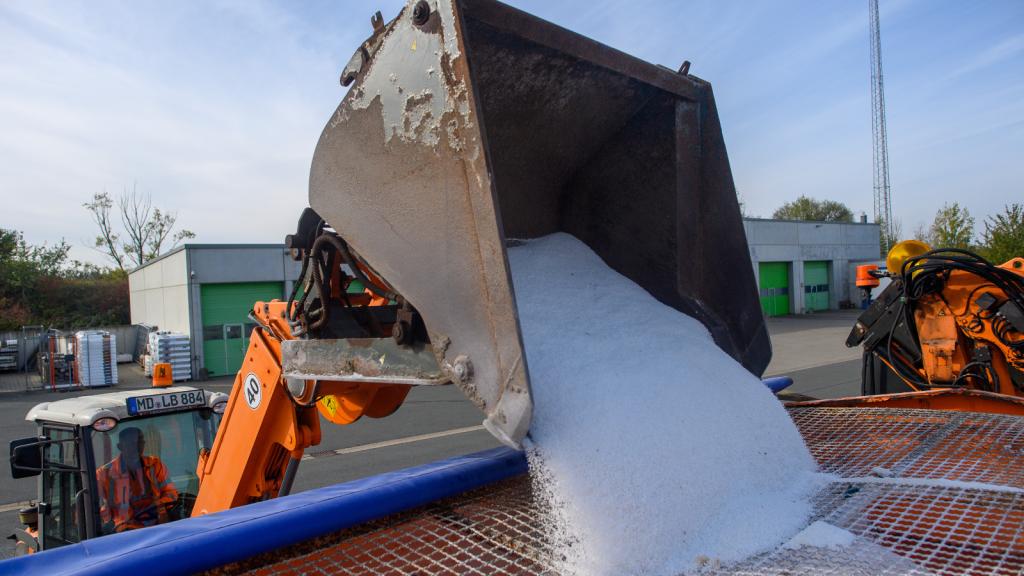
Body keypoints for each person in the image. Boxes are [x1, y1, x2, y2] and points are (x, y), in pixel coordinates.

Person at [95, 427, 178, 533]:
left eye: (140, 442)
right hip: (123, 532)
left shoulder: (155, 465)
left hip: (159, 525)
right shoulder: (103, 474)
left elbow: (171, 494)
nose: (137, 447)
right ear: (120, 447)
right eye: (131, 444)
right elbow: (95, 511)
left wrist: (158, 505)